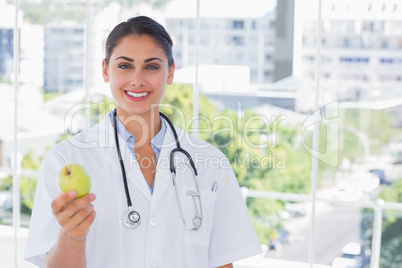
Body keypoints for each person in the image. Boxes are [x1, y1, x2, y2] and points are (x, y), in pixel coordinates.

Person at [24, 16, 262, 268]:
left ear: (170, 72)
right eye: (125, 66)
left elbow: (221, 263)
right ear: (105, 70)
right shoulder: (64, 159)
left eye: (151, 67)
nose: (137, 79)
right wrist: (72, 235)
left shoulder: (211, 162)